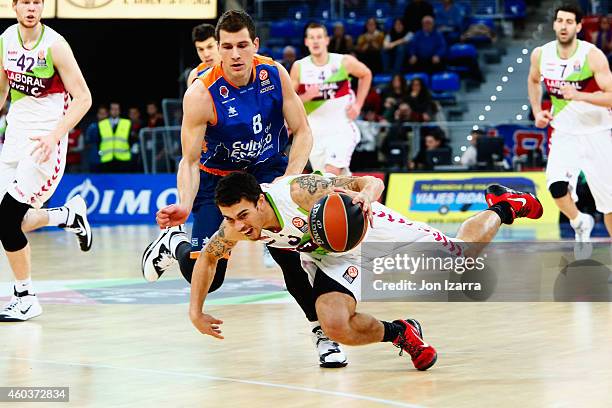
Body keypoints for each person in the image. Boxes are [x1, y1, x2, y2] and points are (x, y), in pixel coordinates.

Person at [142, 10, 349, 368]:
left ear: (255, 45)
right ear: (217, 50)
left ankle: (323, 335)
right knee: (210, 277)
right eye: (227, 47)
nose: (235, 54)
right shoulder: (201, 93)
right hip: (217, 182)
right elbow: (189, 161)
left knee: (291, 258)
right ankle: (174, 245)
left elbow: (302, 132)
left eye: (242, 45)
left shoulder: (275, 74)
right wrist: (185, 204)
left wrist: (289, 180)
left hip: (267, 172)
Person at [187, 171, 543, 370]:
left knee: (462, 257)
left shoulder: (298, 192)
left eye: (243, 216)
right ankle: (401, 333)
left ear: (261, 201)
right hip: (333, 256)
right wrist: (196, 311)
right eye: (230, 218)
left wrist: (368, 197)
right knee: (335, 325)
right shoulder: (235, 227)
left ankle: (504, 207)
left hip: (365, 228)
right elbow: (207, 259)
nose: (238, 226)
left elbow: (364, 181)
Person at [0, 0, 93, 321]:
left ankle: (25, 297)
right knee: (11, 223)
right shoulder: (5, 41)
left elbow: (83, 98)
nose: (31, 8)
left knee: (8, 220)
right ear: (14, 6)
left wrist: (56, 136)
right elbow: (2, 92)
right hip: (13, 141)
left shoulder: (55, 45)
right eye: (25, 2)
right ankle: (68, 215)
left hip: (44, 146)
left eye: (37, 2)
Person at [527, 4, 612, 240]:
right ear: (554, 24)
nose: (563, 26)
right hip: (564, 133)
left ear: (578, 26)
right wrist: (537, 111)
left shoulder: (591, 55)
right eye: (560, 21)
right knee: (556, 186)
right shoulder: (541, 54)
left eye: (569, 22)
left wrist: (580, 95)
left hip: (598, 132)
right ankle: (578, 220)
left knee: (609, 207)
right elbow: (533, 81)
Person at [290, 22, 372, 175]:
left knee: (330, 173)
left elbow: (366, 74)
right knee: (332, 183)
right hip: (314, 132)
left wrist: (358, 105)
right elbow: (289, 101)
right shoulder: (299, 67)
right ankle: (362, 197)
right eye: (312, 38)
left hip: (341, 127)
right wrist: (307, 96)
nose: (315, 41)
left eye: (319, 37)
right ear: (306, 42)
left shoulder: (343, 61)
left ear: (326, 40)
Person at [97, 102, 132, 173]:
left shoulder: (127, 123)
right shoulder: (102, 124)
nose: (115, 111)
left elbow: (131, 140)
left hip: (123, 159)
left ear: (120, 111)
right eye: (113, 109)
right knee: (107, 183)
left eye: (117, 109)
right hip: (106, 159)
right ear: (109, 111)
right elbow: (98, 141)